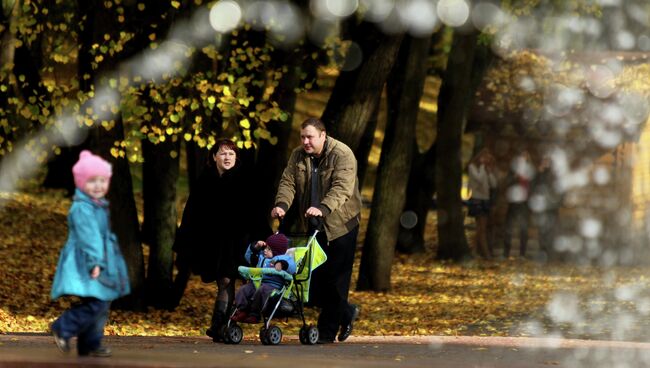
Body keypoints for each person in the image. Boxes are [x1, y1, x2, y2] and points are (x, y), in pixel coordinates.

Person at [271, 117, 362, 344]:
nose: (306, 141)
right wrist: (282, 205)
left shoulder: (343, 154)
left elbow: (342, 188)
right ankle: (347, 311)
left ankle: (326, 332)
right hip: (314, 224)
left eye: (310, 137)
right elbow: (288, 182)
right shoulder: (298, 155)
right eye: (303, 137)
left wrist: (323, 208)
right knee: (315, 278)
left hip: (342, 224)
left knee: (337, 279)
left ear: (323, 135)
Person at [172, 139, 266, 342]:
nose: (227, 157)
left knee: (225, 280)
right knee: (222, 282)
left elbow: (256, 213)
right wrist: (185, 240)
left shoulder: (244, 180)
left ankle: (219, 325)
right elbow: (192, 213)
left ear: (236, 158)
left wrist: (263, 238)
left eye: (231, 154)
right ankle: (224, 326)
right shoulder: (205, 180)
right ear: (214, 157)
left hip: (238, 242)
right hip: (213, 243)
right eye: (223, 153)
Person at [50, 150, 131, 357]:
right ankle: (63, 326)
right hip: (87, 261)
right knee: (98, 303)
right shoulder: (82, 208)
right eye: (92, 181)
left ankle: (89, 344)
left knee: (100, 304)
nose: (98, 186)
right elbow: (89, 237)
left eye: (102, 181)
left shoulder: (98, 206)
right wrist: (95, 262)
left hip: (100, 260)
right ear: (81, 183)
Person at [232, 233, 296, 324]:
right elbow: (248, 257)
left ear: (276, 251)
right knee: (243, 290)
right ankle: (242, 310)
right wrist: (255, 246)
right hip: (258, 283)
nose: (265, 250)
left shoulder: (284, 258)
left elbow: (293, 267)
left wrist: (282, 264)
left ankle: (255, 315)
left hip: (273, 286)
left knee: (262, 291)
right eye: (265, 247)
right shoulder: (262, 257)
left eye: (269, 249)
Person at [503, 150, 534, 259]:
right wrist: (515, 176)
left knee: (524, 229)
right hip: (514, 203)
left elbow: (533, 186)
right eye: (521, 157)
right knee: (509, 227)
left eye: (525, 157)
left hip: (525, 204)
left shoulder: (530, 171)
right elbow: (506, 182)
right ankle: (506, 253)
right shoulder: (513, 170)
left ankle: (522, 254)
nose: (523, 159)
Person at [467, 148, 498, 259]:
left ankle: (474, 251)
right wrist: (482, 167)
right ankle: (486, 254)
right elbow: (479, 179)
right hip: (476, 200)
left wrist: (489, 173)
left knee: (480, 228)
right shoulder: (472, 167)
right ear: (479, 157)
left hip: (485, 200)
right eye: (484, 158)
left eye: (487, 159)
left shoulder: (485, 169)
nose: (485, 160)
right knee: (482, 228)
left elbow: (494, 184)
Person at [530, 156, 562, 260]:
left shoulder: (554, 175)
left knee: (551, 231)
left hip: (552, 208)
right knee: (542, 231)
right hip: (543, 207)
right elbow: (534, 187)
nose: (546, 163)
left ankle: (550, 252)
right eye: (544, 161)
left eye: (547, 161)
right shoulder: (539, 174)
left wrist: (558, 202)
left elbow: (559, 190)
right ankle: (543, 251)